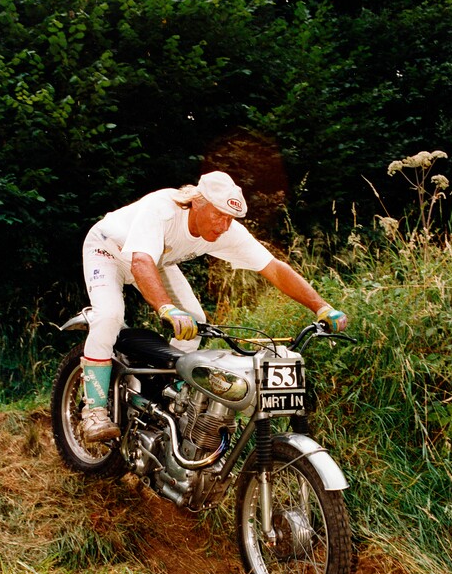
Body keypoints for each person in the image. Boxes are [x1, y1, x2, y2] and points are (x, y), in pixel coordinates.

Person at [81, 170, 348, 442]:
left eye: (230, 219)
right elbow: (140, 262)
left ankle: (166, 397)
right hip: (108, 249)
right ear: (197, 202)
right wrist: (166, 308)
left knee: (195, 321)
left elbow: (275, 269)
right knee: (110, 315)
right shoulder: (162, 209)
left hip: (156, 260)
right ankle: (94, 412)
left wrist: (322, 307)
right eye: (218, 215)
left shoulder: (226, 230)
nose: (223, 226)